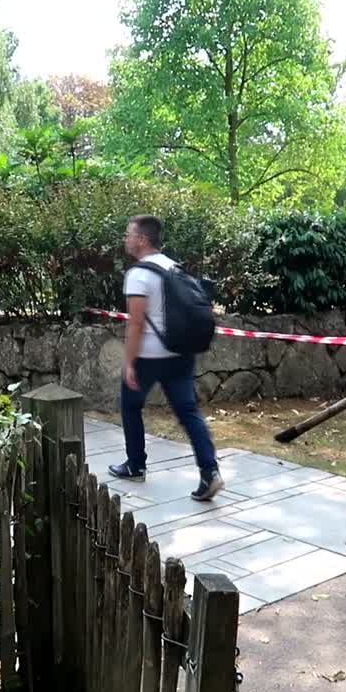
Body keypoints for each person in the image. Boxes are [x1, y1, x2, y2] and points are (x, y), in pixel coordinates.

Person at [107, 215, 224, 501]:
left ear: (142, 240)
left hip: (149, 356)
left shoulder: (138, 274)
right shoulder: (173, 266)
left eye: (129, 234)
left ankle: (135, 464)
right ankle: (210, 471)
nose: (126, 239)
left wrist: (129, 361)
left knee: (130, 407)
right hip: (180, 354)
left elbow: (135, 324)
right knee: (188, 412)